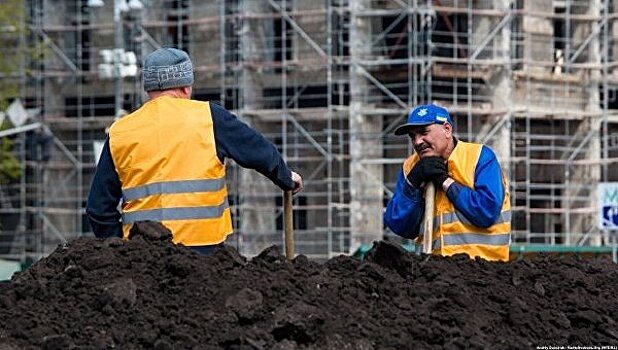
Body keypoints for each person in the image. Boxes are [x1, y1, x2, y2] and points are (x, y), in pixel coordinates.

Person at [86, 47, 303, 254]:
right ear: (186, 87)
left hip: (142, 257)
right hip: (204, 255)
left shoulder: (121, 131)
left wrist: (120, 249)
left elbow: (98, 208)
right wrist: (285, 177)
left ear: (148, 89)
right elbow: (257, 150)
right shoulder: (209, 117)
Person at [383, 104, 510, 261]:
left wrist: (444, 181)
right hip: (433, 273)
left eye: (424, 132)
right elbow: (398, 225)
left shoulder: (479, 158)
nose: (417, 142)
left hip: (483, 272)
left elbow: (486, 212)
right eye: (412, 136)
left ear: (447, 130)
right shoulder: (411, 168)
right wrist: (413, 183)